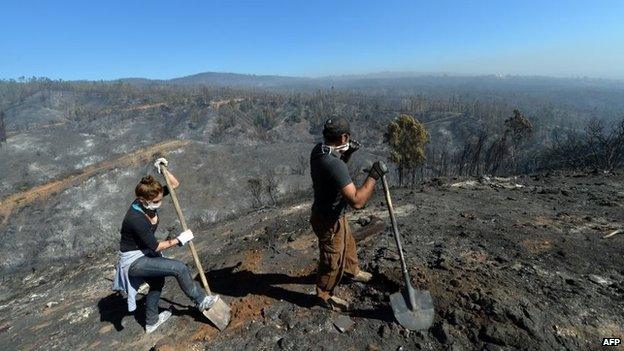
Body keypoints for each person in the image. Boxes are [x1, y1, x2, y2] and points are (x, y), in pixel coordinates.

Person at [113, 158, 219, 333]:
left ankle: (151, 322)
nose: (159, 202)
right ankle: (201, 301)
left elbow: (174, 184)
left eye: (160, 198)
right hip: (134, 262)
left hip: (144, 254)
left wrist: (163, 170)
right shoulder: (136, 218)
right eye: (156, 201)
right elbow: (155, 247)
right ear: (143, 199)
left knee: (157, 282)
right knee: (179, 268)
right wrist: (180, 239)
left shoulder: (150, 199)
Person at [309, 117, 388, 310]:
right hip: (328, 220)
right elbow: (357, 201)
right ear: (344, 136)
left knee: (348, 243)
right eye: (348, 137)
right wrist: (373, 176)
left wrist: (348, 153)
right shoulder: (334, 164)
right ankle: (323, 295)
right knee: (332, 258)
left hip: (333, 212)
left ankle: (352, 271)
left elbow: (334, 172)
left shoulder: (320, 150)